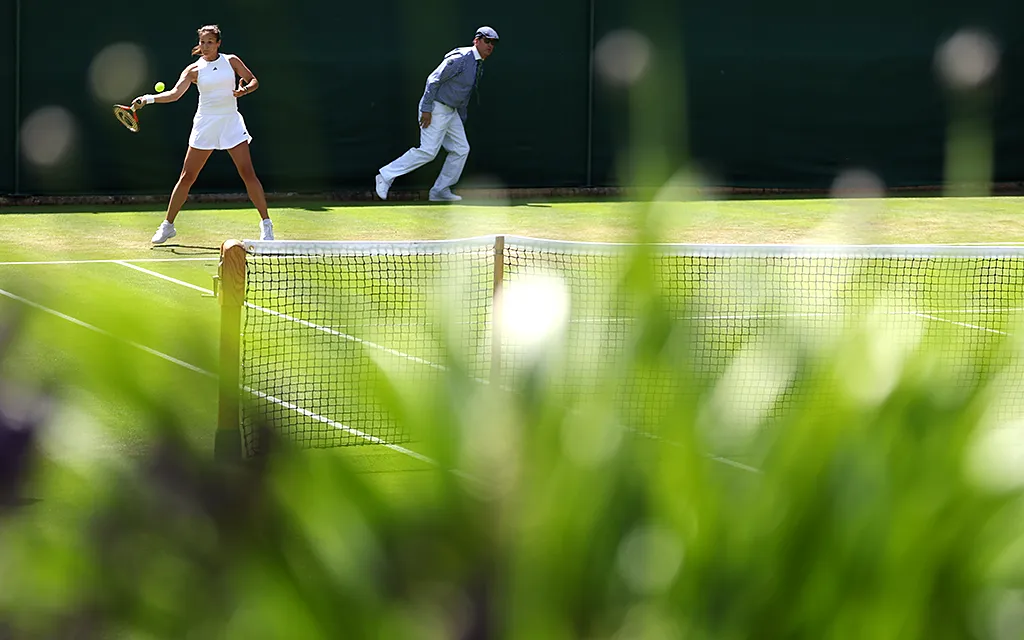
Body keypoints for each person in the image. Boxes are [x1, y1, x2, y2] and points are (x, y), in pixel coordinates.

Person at [132, 24, 274, 243]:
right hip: (205, 124)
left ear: (218, 43)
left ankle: (266, 225)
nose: (205, 46)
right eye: (202, 42)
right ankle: (168, 226)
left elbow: (253, 80)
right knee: (187, 176)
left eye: (210, 42)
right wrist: (148, 99)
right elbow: (174, 94)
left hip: (230, 122)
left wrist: (243, 90)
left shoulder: (231, 61)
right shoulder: (193, 70)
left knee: (248, 173)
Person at [375, 26, 499, 202]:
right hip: (436, 108)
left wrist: (460, 118)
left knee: (461, 149)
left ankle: (440, 190)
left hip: (452, 112)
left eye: (493, 43)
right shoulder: (461, 58)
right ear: (476, 41)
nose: (490, 46)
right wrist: (427, 109)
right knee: (428, 151)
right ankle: (385, 175)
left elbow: (464, 93)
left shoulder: (479, 64)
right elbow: (433, 80)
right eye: (487, 41)